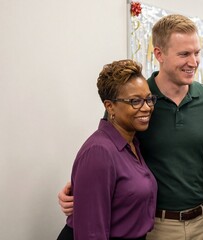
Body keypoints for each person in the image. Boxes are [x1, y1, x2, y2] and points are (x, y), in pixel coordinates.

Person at [58, 14, 203, 239]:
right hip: (155, 226)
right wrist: (79, 189)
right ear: (159, 54)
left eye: (197, 53)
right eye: (184, 54)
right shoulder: (133, 101)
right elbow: (107, 154)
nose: (193, 62)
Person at [57, 59, 158, 240]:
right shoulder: (99, 152)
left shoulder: (131, 143)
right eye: (135, 101)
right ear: (110, 106)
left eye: (149, 99)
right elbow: (91, 233)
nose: (146, 107)